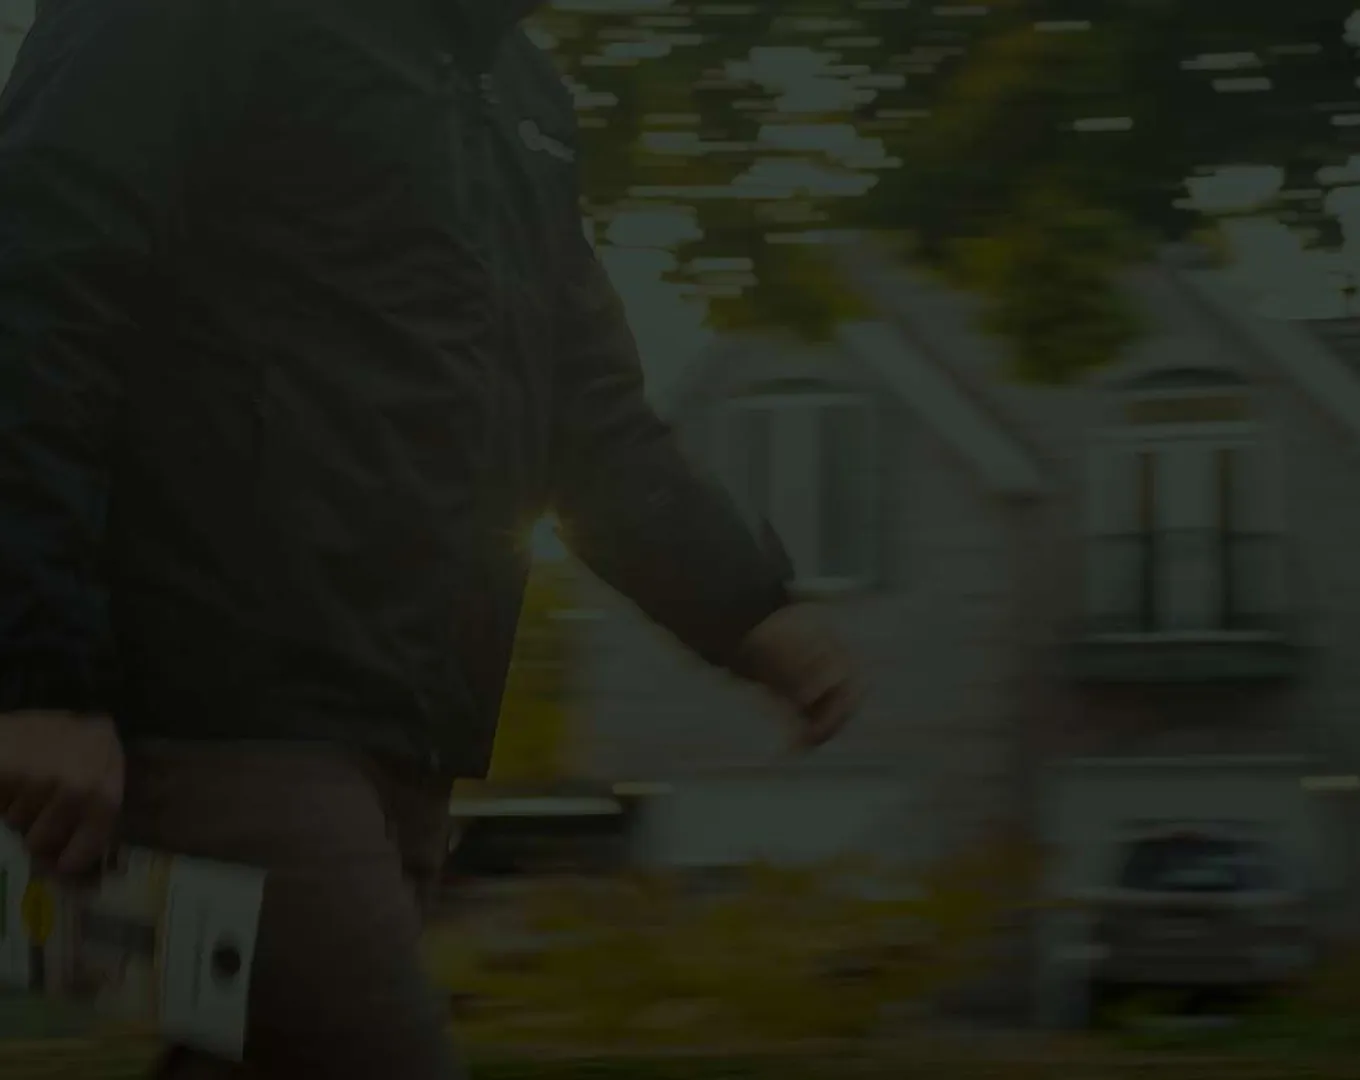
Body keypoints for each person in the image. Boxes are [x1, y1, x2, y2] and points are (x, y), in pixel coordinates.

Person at [0, 0, 862, 1075]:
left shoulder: (519, 94)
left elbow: (585, 417)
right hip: (218, 705)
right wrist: (38, 675)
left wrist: (750, 610)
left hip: (409, 730)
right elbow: (32, 298)